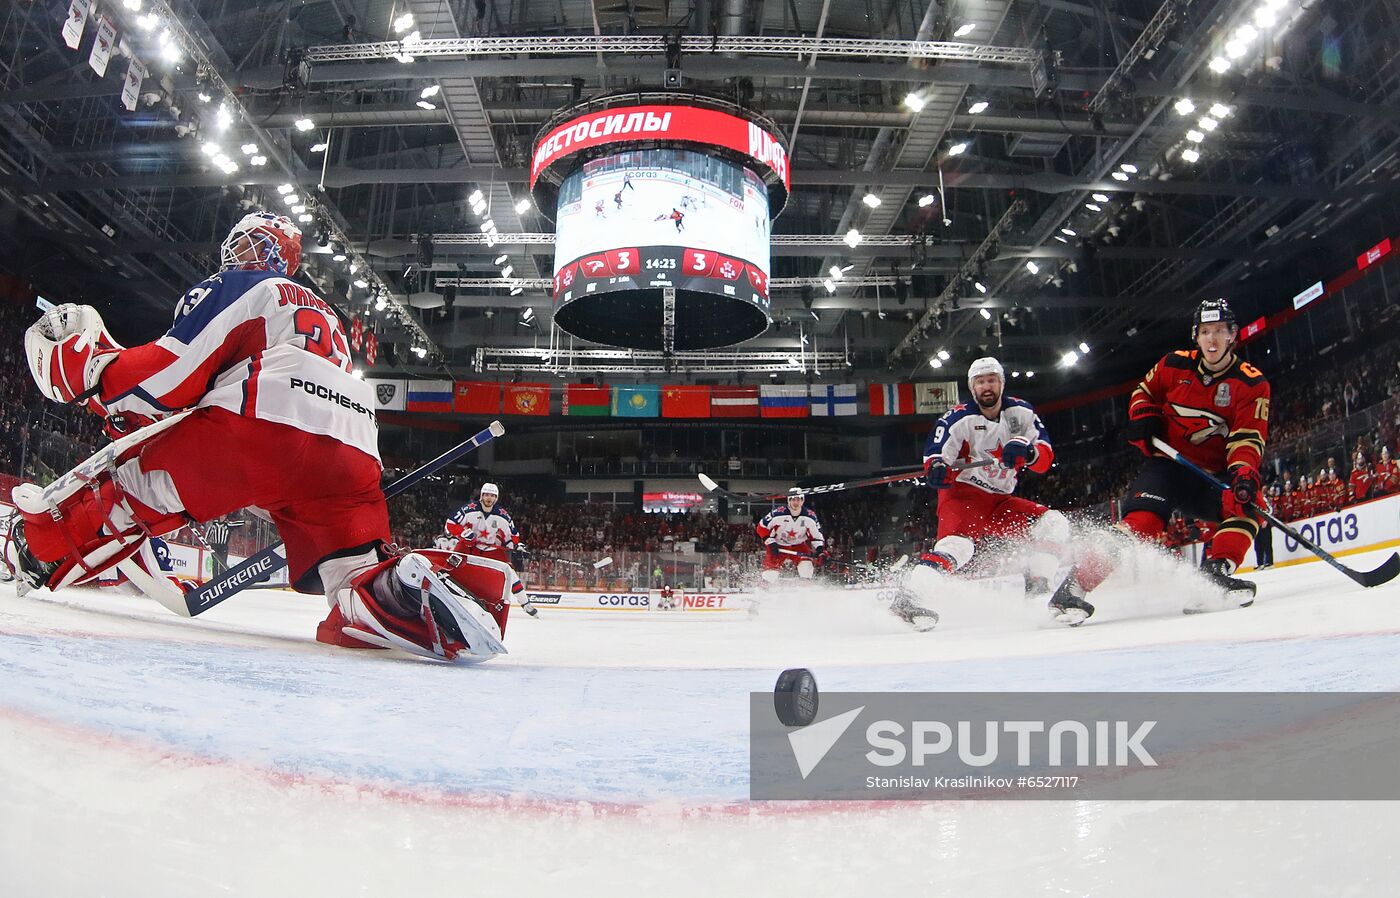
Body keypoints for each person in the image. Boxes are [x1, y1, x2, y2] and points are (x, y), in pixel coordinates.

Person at [2, 212, 514, 663]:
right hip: (355, 448)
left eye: (252, 244)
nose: (240, 253)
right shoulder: (327, 315)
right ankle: (400, 598)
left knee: (135, 485)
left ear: (272, 255)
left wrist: (97, 375)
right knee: (351, 572)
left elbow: (170, 376)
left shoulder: (248, 286)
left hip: (265, 423)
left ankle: (32, 549)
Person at [1048, 298, 1271, 621]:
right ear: (1196, 336)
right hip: (1168, 468)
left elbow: (1247, 437)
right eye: (1206, 331)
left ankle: (1213, 575)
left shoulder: (1252, 383)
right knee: (1140, 524)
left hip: (1214, 475)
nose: (1212, 339)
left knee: (1251, 504)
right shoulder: (1173, 365)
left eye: (1219, 331)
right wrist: (1144, 416)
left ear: (1232, 335)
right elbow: (1143, 393)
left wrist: (1244, 474)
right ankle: (1072, 589)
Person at [909, 356, 1070, 606]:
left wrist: (1029, 453)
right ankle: (908, 599)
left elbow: (1044, 458)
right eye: (980, 381)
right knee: (958, 548)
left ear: (1001, 383)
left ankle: (1038, 588)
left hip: (1000, 502)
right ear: (972, 387)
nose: (987, 386)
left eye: (992, 380)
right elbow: (937, 455)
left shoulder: (1022, 413)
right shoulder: (957, 418)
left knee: (1053, 523)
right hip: (964, 497)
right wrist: (938, 468)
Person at [442, 482, 526, 570]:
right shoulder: (469, 509)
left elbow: (512, 536)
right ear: (482, 496)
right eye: (486, 495)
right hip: (469, 546)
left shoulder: (503, 516)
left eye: (492, 496)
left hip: (492, 550)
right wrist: (462, 533)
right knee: (452, 567)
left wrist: (515, 545)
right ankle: (446, 574)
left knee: (507, 571)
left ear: (496, 498)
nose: (489, 498)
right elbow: (450, 524)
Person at [756, 488, 827, 582]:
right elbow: (761, 527)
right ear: (788, 500)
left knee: (806, 567)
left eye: (798, 499)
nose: (796, 502)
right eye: (793, 499)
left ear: (802, 501)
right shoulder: (777, 514)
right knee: (770, 574)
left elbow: (816, 536)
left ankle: (806, 590)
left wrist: (820, 551)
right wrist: (770, 542)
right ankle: (762, 591)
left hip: (799, 545)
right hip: (778, 545)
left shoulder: (810, 516)